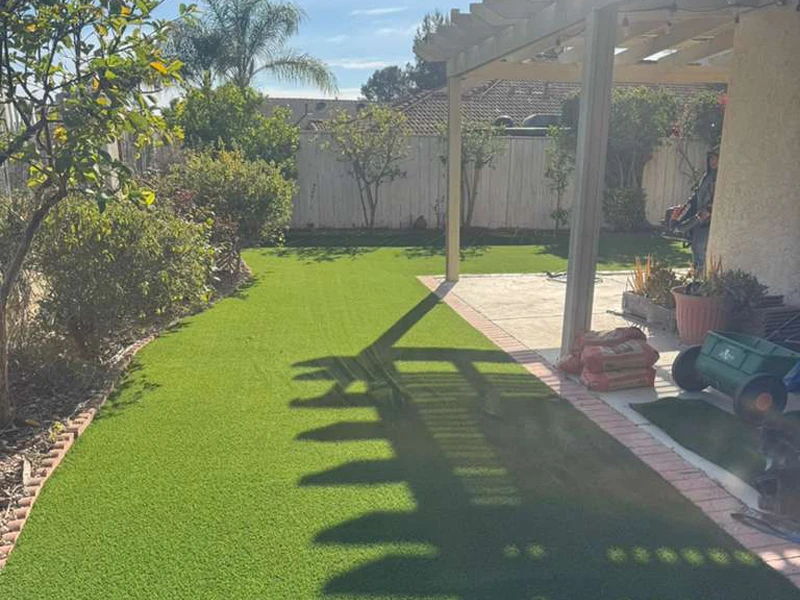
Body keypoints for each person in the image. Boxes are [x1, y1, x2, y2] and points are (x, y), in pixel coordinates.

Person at [675, 149, 718, 273]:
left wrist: (709, 210)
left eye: (715, 158)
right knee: (695, 246)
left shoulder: (720, 177)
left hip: (709, 219)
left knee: (699, 245)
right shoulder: (707, 176)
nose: (712, 161)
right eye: (711, 159)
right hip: (700, 217)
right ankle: (697, 276)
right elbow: (698, 195)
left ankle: (701, 278)